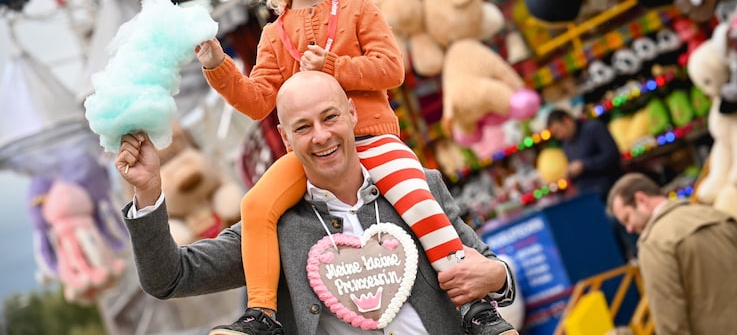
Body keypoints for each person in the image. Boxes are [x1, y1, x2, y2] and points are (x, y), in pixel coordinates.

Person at [193, 0, 507, 335]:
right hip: (311, 157)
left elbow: (391, 69)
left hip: (373, 139)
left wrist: (333, 68)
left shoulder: (359, 8)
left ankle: (476, 307)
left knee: (418, 197)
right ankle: (262, 315)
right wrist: (217, 65)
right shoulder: (272, 35)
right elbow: (259, 99)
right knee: (255, 204)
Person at [116, 71, 518, 334]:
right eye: (303, 127)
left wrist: (499, 275)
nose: (321, 136)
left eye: (330, 118)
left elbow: (487, 267)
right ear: (286, 139)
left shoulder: (416, 186)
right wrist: (149, 192)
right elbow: (169, 278)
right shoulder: (275, 227)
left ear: (352, 114)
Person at [606, 173, 737, 335]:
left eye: (627, 218)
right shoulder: (719, 217)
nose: (629, 229)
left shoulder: (655, 243)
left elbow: (671, 321)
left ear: (641, 200)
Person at [546, 109, 622, 198]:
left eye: (558, 130)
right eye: (556, 134)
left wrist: (584, 165)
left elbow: (612, 155)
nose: (559, 136)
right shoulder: (566, 145)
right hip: (588, 196)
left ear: (567, 121)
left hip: (613, 189)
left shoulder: (593, 128)